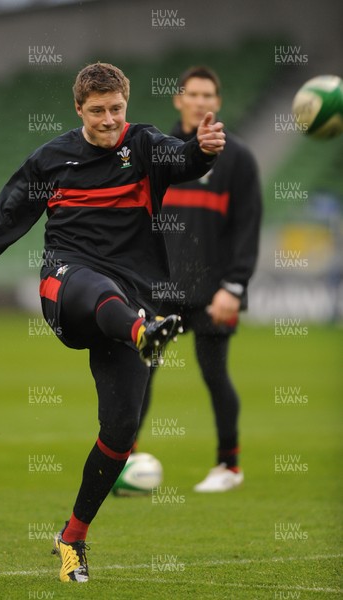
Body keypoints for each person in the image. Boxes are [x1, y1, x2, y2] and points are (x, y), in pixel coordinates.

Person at [0, 62, 225, 582]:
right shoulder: (51, 162)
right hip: (66, 284)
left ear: (126, 104)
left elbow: (181, 160)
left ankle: (72, 538)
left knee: (121, 433)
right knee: (99, 291)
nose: (110, 120)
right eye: (98, 112)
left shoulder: (146, 145)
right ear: (78, 110)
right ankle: (142, 333)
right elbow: (1, 220)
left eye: (116, 109)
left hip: (131, 299)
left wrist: (202, 148)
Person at [138, 66, 262, 493]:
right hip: (161, 288)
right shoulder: (160, 151)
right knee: (141, 371)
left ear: (218, 102)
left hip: (214, 292)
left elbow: (248, 227)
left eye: (209, 95)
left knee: (215, 374)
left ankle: (229, 466)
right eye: (193, 94)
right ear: (179, 99)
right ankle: (126, 458)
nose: (201, 101)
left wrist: (235, 286)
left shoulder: (239, 159)